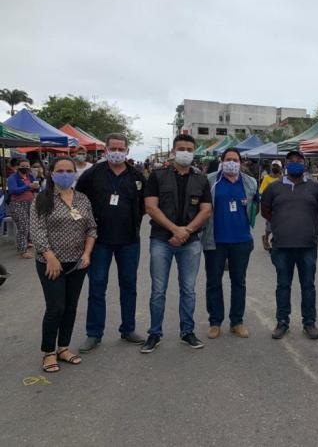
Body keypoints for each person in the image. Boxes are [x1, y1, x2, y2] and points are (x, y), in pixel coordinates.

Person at [141, 134, 212, 353]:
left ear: (194, 152)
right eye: (181, 148)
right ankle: (154, 333)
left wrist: (186, 231)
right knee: (158, 290)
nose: (185, 153)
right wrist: (175, 230)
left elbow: (206, 210)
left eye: (189, 149)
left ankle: (187, 332)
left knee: (188, 290)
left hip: (191, 241)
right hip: (161, 240)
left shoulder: (201, 179)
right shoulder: (157, 176)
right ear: (173, 152)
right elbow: (151, 207)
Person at [77, 133, 147, 353]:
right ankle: (94, 333)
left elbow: (145, 205)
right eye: (113, 148)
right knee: (97, 287)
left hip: (129, 240)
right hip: (99, 241)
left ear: (127, 151)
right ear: (105, 150)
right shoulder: (92, 174)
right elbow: (78, 200)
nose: (117, 152)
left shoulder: (137, 176)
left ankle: (128, 329)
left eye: (121, 148)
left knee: (129, 286)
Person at [29, 157, 97, 373]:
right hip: (50, 264)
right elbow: (37, 231)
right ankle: (48, 351)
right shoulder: (42, 199)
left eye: (69, 170)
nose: (65, 174)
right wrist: (50, 257)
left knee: (70, 306)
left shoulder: (82, 199)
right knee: (55, 307)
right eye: (60, 170)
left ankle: (63, 347)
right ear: (51, 173)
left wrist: (87, 254)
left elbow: (91, 228)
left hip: (77, 263)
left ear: (75, 173)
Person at [262, 150, 318, 340]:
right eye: (291, 160)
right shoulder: (274, 188)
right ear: (285, 164)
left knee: (308, 285)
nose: (295, 163)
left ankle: (309, 322)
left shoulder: (315, 188)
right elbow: (266, 211)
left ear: (305, 164)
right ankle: (282, 322)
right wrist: (281, 224)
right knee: (283, 285)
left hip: (308, 246)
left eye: (299, 160)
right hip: (282, 246)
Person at [200, 147, 258, 340]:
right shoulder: (209, 181)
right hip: (215, 241)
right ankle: (215, 322)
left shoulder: (250, 182)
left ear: (241, 163)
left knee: (239, 282)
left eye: (235, 160)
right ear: (222, 161)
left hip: (241, 241)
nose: (231, 163)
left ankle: (237, 322)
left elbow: (254, 207)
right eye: (228, 159)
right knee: (214, 282)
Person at [8, 158, 40, 258]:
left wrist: (36, 187)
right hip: (17, 204)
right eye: (23, 166)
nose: (25, 168)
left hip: (30, 203)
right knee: (23, 226)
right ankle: (22, 250)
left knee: (30, 224)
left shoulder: (30, 176)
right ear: (18, 167)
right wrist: (29, 186)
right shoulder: (13, 177)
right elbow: (13, 190)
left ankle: (27, 242)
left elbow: (36, 189)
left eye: (27, 166)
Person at [259, 160, 282, 251]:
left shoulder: (283, 178)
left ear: (280, 168)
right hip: (271, 206)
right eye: (274, 166)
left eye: (277, 166)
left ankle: (276, 241)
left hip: (281, 205)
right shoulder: (267, 178)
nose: (275, 168)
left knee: (280, 225)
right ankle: (266, 238)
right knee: (269, 226)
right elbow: (261, 191)